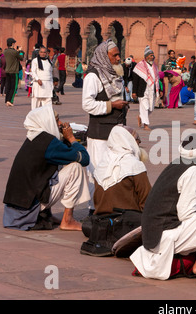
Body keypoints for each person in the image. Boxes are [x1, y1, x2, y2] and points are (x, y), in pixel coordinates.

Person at [129, 133, 196, 288]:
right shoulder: (193, 171)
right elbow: (186, 215)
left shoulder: (177, 164)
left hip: (155, 234)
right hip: (163, 237)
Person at [3, 104, 91, 231]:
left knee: (56, 167)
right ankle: (68, 220)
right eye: (56, 120)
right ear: (47, 122)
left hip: (18, 206)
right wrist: (71, 138)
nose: (60, 123)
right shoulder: (49, 143)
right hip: (29, 206)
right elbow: (84, 159)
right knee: (75, 168)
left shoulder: (34, 138)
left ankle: (46, 215)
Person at [82, 39, 128, 213]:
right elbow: (87, 104)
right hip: (99, 134)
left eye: (118, 54)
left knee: (113, 171)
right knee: (97, 173)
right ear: (104, 55)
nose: (118, 58)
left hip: (115, 132)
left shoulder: (115, 74)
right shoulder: (93, 76)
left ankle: (109, 206)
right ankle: (94, 209)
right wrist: (111, 106)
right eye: (114, 55)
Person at [93, 125, 151, 215]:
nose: (139, 143)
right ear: (129, 141)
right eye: (137, 140)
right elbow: (147, 200)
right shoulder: (134, 165)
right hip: (127, 222)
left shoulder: (102, 165)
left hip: (101, 221)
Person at [132, 45, 160, 131]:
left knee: (151, 108)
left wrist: (160, 90)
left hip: (152, 90)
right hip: (143, 90)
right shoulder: (139, 66)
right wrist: (134, 92)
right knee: (145, 107)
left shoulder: (154, 66)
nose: (153, 57)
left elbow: (157, 80)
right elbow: (135, 81)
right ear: (146, 56)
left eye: (153, 55)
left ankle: (141, 117)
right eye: (151, 55)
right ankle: (146, 125)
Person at [3, 38, 24, 107]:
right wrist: (21, 51)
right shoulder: (14, 52)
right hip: (14, 71)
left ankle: (7, 100)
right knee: (14, 87)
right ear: (12, 44)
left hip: (7, 70)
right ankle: (10, 100)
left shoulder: (5, 51)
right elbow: (21, 57)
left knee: (8, 86)